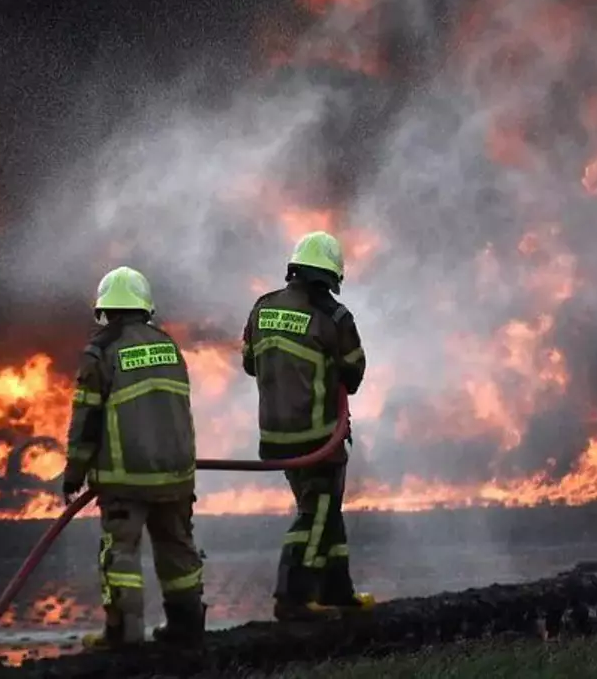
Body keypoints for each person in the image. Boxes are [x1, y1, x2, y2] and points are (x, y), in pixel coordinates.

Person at [63, 266, 206, 648]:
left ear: (105, 310)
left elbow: (86, 417)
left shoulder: (101, 352)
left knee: (121, 553)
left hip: (125, 478)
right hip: (176, 473)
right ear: (145, 308)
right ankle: (187, 626)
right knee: (177, 547)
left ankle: (124, 636)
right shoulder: (168, 345)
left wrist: (74, 471)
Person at [241, 231, 374, 621]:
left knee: (324, 509)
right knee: (315, 512)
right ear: (330, 277)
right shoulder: (335, 316)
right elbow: (355, 371)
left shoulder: (262, 308)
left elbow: (250, 363)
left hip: (275, 437)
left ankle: (338, 590)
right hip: (318, 437)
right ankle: (293, 597)